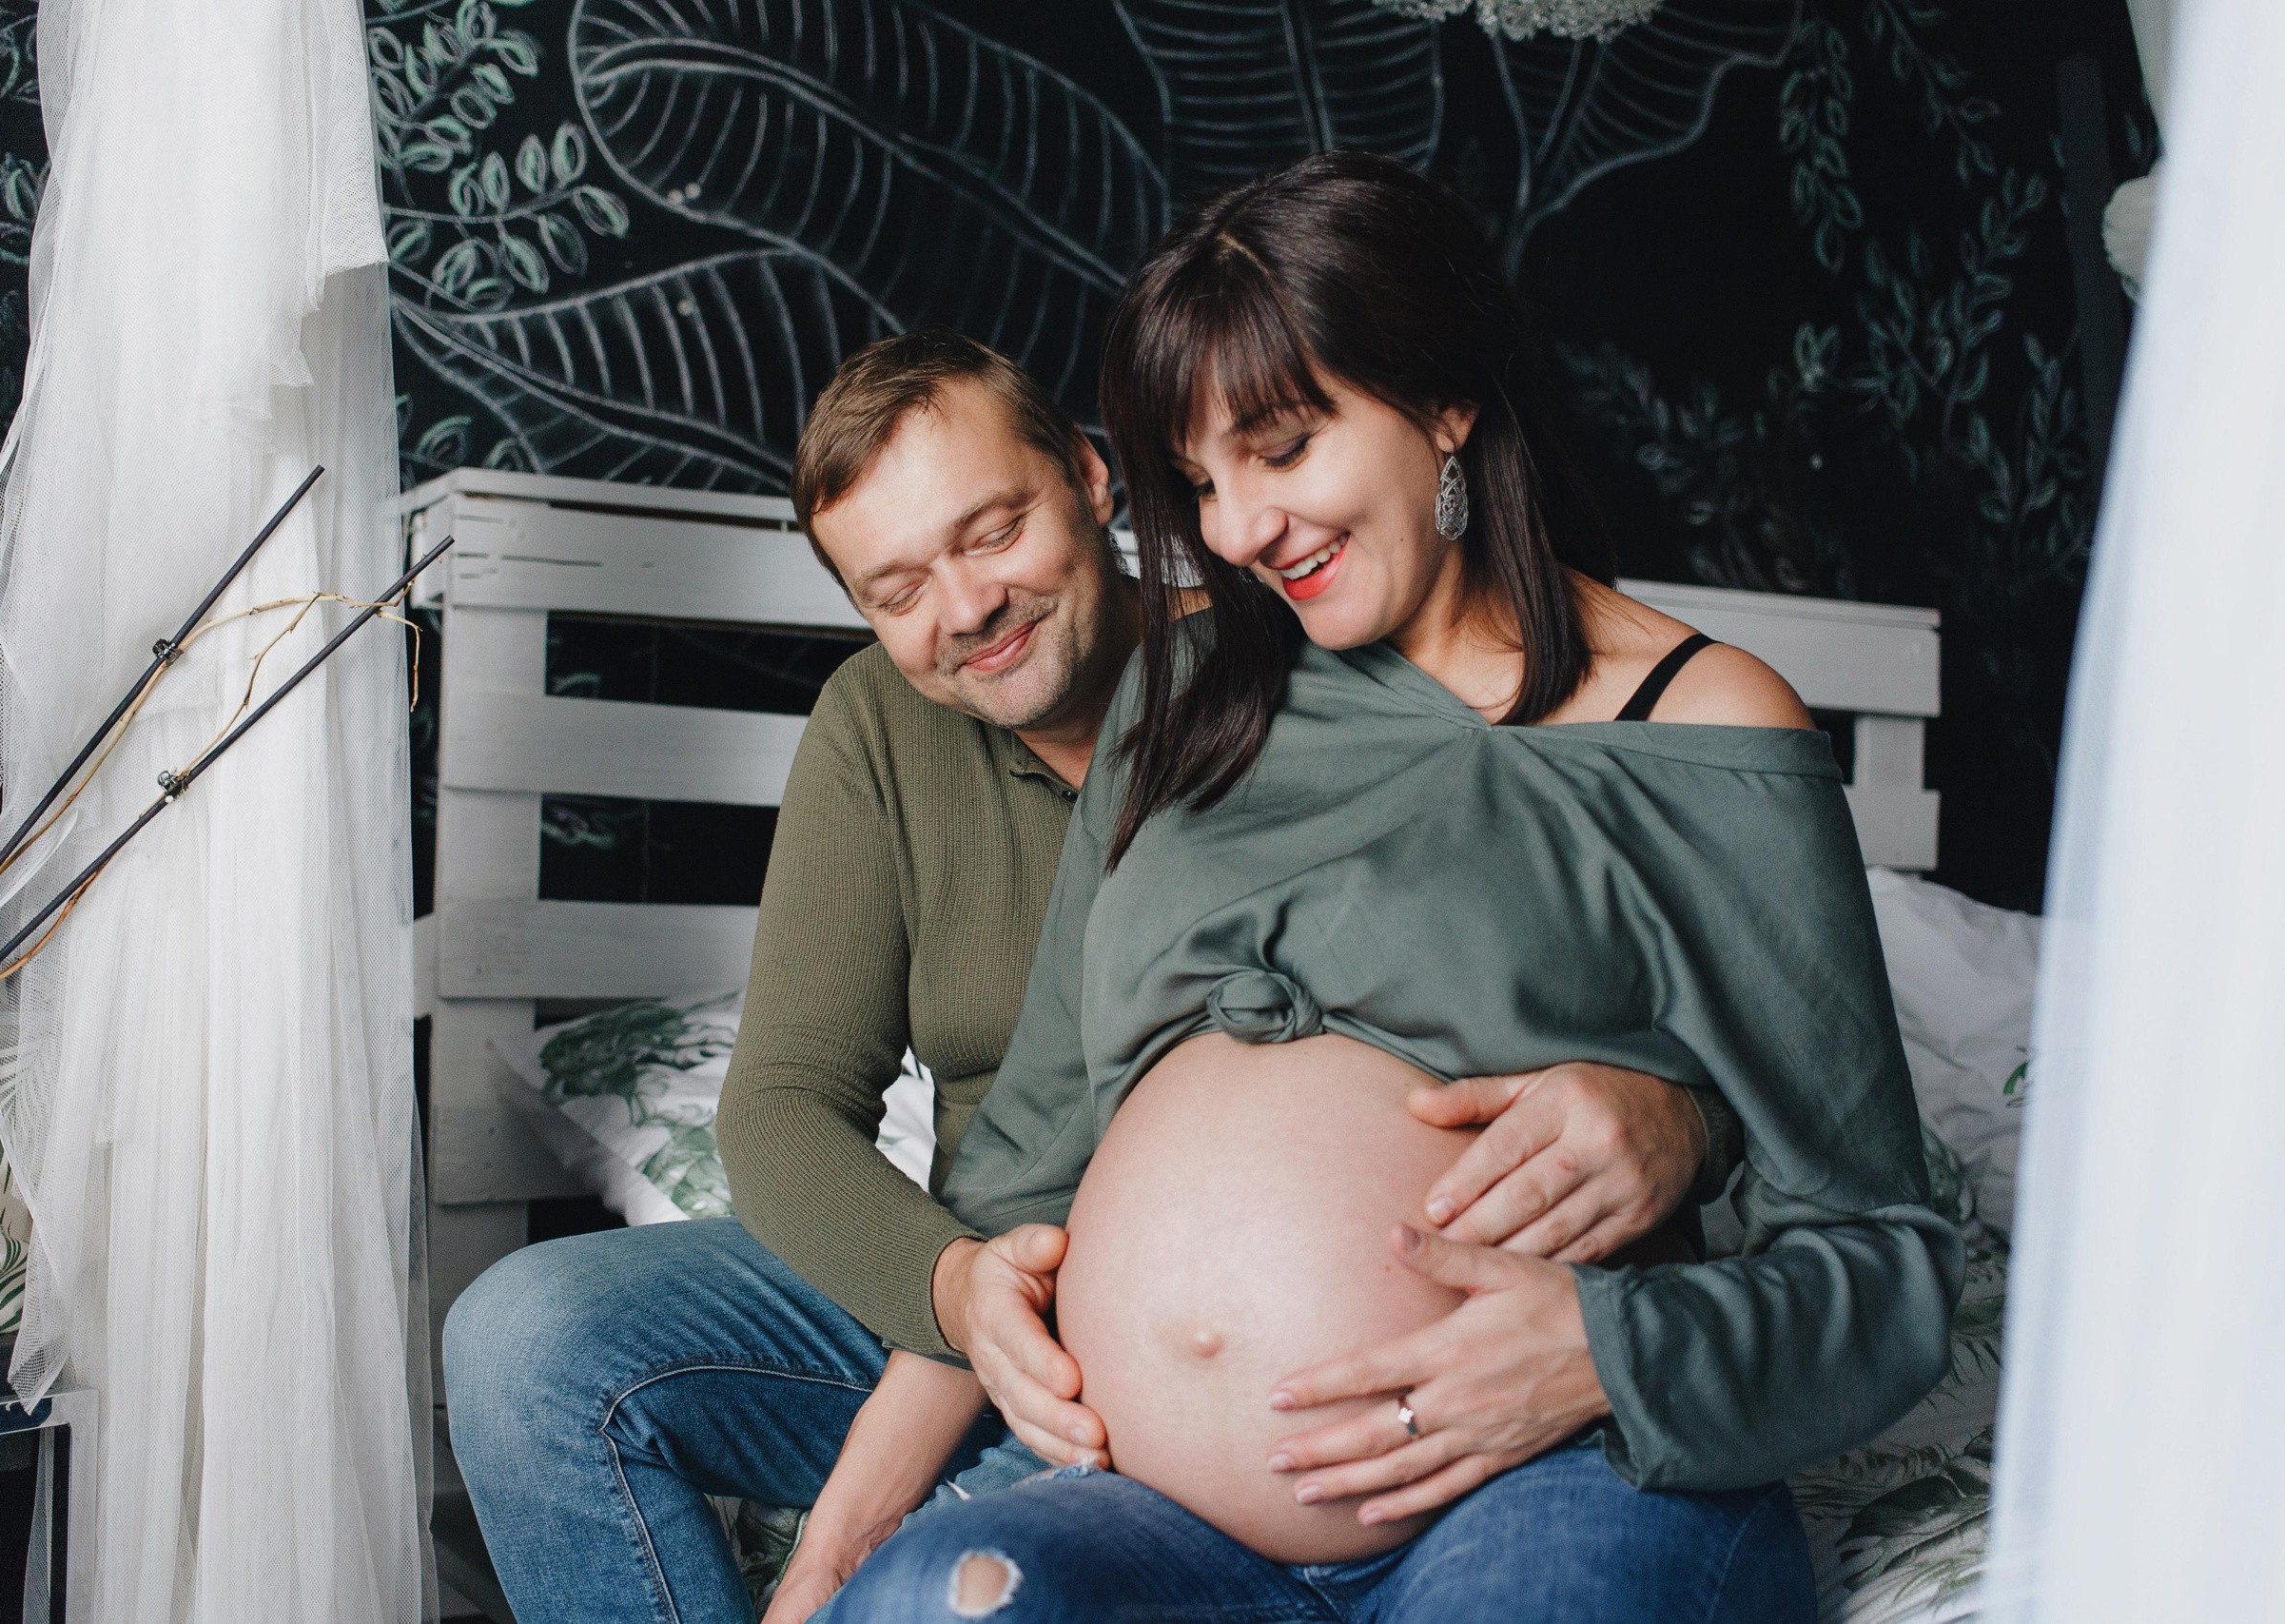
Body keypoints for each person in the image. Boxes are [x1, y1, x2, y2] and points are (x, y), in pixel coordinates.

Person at [790, 154, 1961, 1623]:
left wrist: (1615, 1349)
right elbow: (1025, 1164)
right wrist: (840, 1545)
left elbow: (1882, 1262)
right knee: (921, 1608)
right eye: (1203, 483)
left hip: (1554, 1475)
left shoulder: (1703, 730)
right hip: (1156, 1515)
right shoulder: (1193, 695)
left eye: (1282, 448)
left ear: (1446, 398)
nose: (1237, 531)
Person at [440, 327, 1748, 1623]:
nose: (965, 610)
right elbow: (781, 1104)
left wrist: (1681, 1115)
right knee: (527, 1341)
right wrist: (955, 1289)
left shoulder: (1302, 668)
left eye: (993, 531)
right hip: (984, 1281)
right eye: (895, 590)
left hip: (1241, 1301)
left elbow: (1654, 980)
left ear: (1093, 475)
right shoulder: (882, 727)